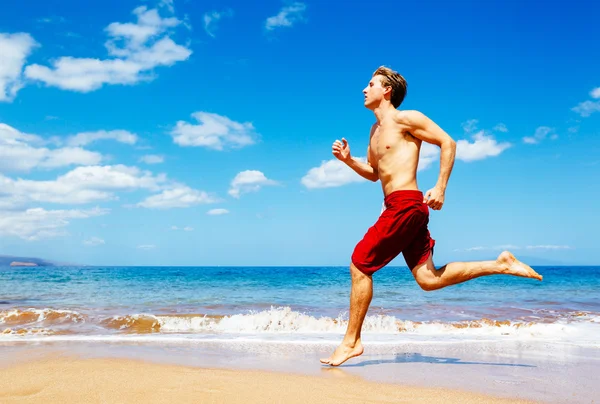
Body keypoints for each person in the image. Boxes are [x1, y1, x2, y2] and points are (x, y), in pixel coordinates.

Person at [320, 66, 543, 367]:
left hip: (406, 204)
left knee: (360, 265)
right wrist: (348, 161)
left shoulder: (406, 118)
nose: (364, 89)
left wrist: (440, 187)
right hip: (396, 206)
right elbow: (375, 174)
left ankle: (352, 341)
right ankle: (500, 264)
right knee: (427, 278)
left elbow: (448, 143)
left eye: (370, 84)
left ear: (386, 90)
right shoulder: (373, 132)